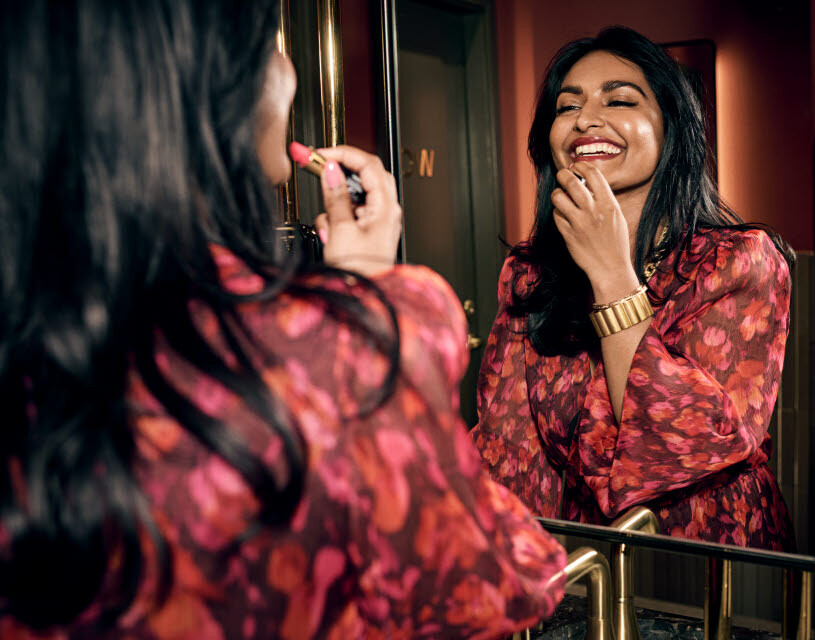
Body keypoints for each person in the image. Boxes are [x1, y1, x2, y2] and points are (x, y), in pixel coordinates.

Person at [0, 1, 566, 637]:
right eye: (269, 41)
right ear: (206, 78)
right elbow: (486, 589)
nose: (288, 71)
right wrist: (370, 305)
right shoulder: (344, 351)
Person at [470, 26, 797, 551]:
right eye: (567, 106)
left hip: (711, 558)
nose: (585, 119)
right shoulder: (530, 273)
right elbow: (508, 452)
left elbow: (687, 444)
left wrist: (611, 275)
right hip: (592, 561)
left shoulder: (738, 262)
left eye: (619, 100)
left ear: (672, 128)